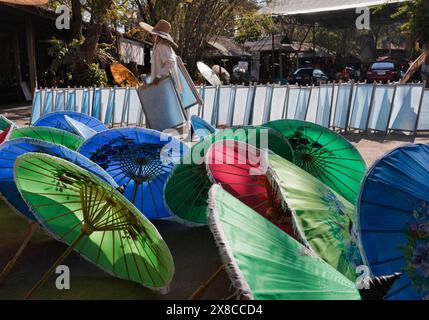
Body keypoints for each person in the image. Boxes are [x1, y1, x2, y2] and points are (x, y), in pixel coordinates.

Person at [139, 19, 183, 94]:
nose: (152, 36)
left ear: (157, 36)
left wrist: (159, 76)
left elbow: (171, 62)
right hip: (163, 86)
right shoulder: (158, 46)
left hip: (166, 86)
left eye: (154, 34)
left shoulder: (162, 46)